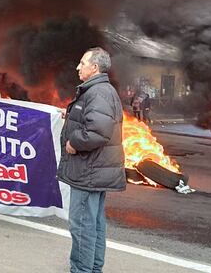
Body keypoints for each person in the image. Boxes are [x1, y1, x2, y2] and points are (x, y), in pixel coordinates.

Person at [57, 47, 126, 273]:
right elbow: (93, 120)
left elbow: (97, 132)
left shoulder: (97, 93)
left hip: (88, 171)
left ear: (94, 67)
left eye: (82, 63)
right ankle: (93, 268)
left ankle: (82, 270)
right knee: (94, 224)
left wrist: (74, 142)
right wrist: (70, 117)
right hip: (94, 170)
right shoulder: (100, 91)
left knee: (82, 225)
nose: (78, 67)